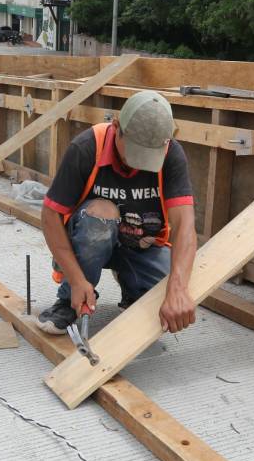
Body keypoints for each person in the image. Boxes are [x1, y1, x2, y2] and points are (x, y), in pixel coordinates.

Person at [37, 91, 198, 335]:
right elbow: (50, 216)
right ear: (116, 127)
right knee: (102, 214)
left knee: (169, 286)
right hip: (89, 240)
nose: (138, 163)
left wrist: (177, 288)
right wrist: (76, 280)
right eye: (133, 151)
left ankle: (135, 291)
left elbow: (185, 223)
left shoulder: (172, 154)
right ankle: (69, 299)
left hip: (139, 242)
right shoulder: (87, 147)